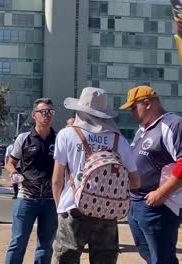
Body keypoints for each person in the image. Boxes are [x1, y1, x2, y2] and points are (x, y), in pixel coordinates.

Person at [52, 87, 140, 264]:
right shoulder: (119, 140)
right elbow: (136, 181)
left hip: (73, 209)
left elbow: (57, 180)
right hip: (107, 213)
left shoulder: (67, 135)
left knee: (64, 259)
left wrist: (59, 209)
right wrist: (106, 189)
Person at [120, 85, 182, 264]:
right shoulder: (143, 130)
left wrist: (162, 193)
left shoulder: (172, 124)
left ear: (147, 103)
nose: (132, 112)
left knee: (162, 258)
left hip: (159, 206)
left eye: (133, 107)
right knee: (149, 255)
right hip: (138, 203)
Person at [4, 98, 58, 264]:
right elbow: (10, 163)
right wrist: (14, 174)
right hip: (26, 198)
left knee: (46, 245)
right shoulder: (24, 138)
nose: (47, 115)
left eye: (50, 112)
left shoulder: (59, 139)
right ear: (34, 115)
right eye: (43, 112)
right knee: (18, 242)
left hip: (51, 201)